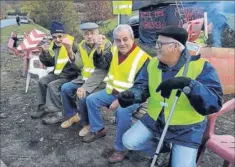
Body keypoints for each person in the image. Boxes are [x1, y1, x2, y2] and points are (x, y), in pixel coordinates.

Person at [118, 25, 223, 167]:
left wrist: (188, 85)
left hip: (187, 128)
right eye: (157, 43)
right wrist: (132, 95)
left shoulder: (201, 66)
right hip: (156, 119)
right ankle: (162, 148)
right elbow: (141, 86)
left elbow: (214, 102)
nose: (156, 47)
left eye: (160, 44)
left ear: (175, 47)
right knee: (128, 141)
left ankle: (176, 151)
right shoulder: (152, 64)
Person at [83, 24, 151, 163]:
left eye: (125, 39)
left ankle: (120, 148)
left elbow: (141, 87)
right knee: (91, 99)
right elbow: (101, 64)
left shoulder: (143, 58)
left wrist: (120, 100)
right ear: (114, 41)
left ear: (133, 39)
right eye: (118, 40)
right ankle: (99, 129)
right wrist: (97, 49)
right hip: (111, 92)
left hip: (132, 98)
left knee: (122, 112)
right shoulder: (114, 51)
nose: (122, 43)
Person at [43, 22, 112, 129]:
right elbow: (78, 65)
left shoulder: (106, 44)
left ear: (98, 33)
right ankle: (73, 115)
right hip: (84, 78)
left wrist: (85, 87)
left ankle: (86, 123)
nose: (89, 36)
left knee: (82, 95)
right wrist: (69, 50)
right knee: (65, 88)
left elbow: (101, 71)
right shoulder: (82, 45)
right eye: (86, 34)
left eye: (92, 33)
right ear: (83, 35)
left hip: (101, 81)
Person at [30, 21, 79, 122]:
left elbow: (78, 65)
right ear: (51, 36)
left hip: (70, 75)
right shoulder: (53, 45)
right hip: (58, 74)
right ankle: (42, 108)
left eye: (60, 36)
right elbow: (50, 63)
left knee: (53, 85)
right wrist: (44, 53)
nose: (57, 39)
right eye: (54, 37)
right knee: (42, 81)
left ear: (64, 35)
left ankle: (57, 113)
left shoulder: (73, 45)